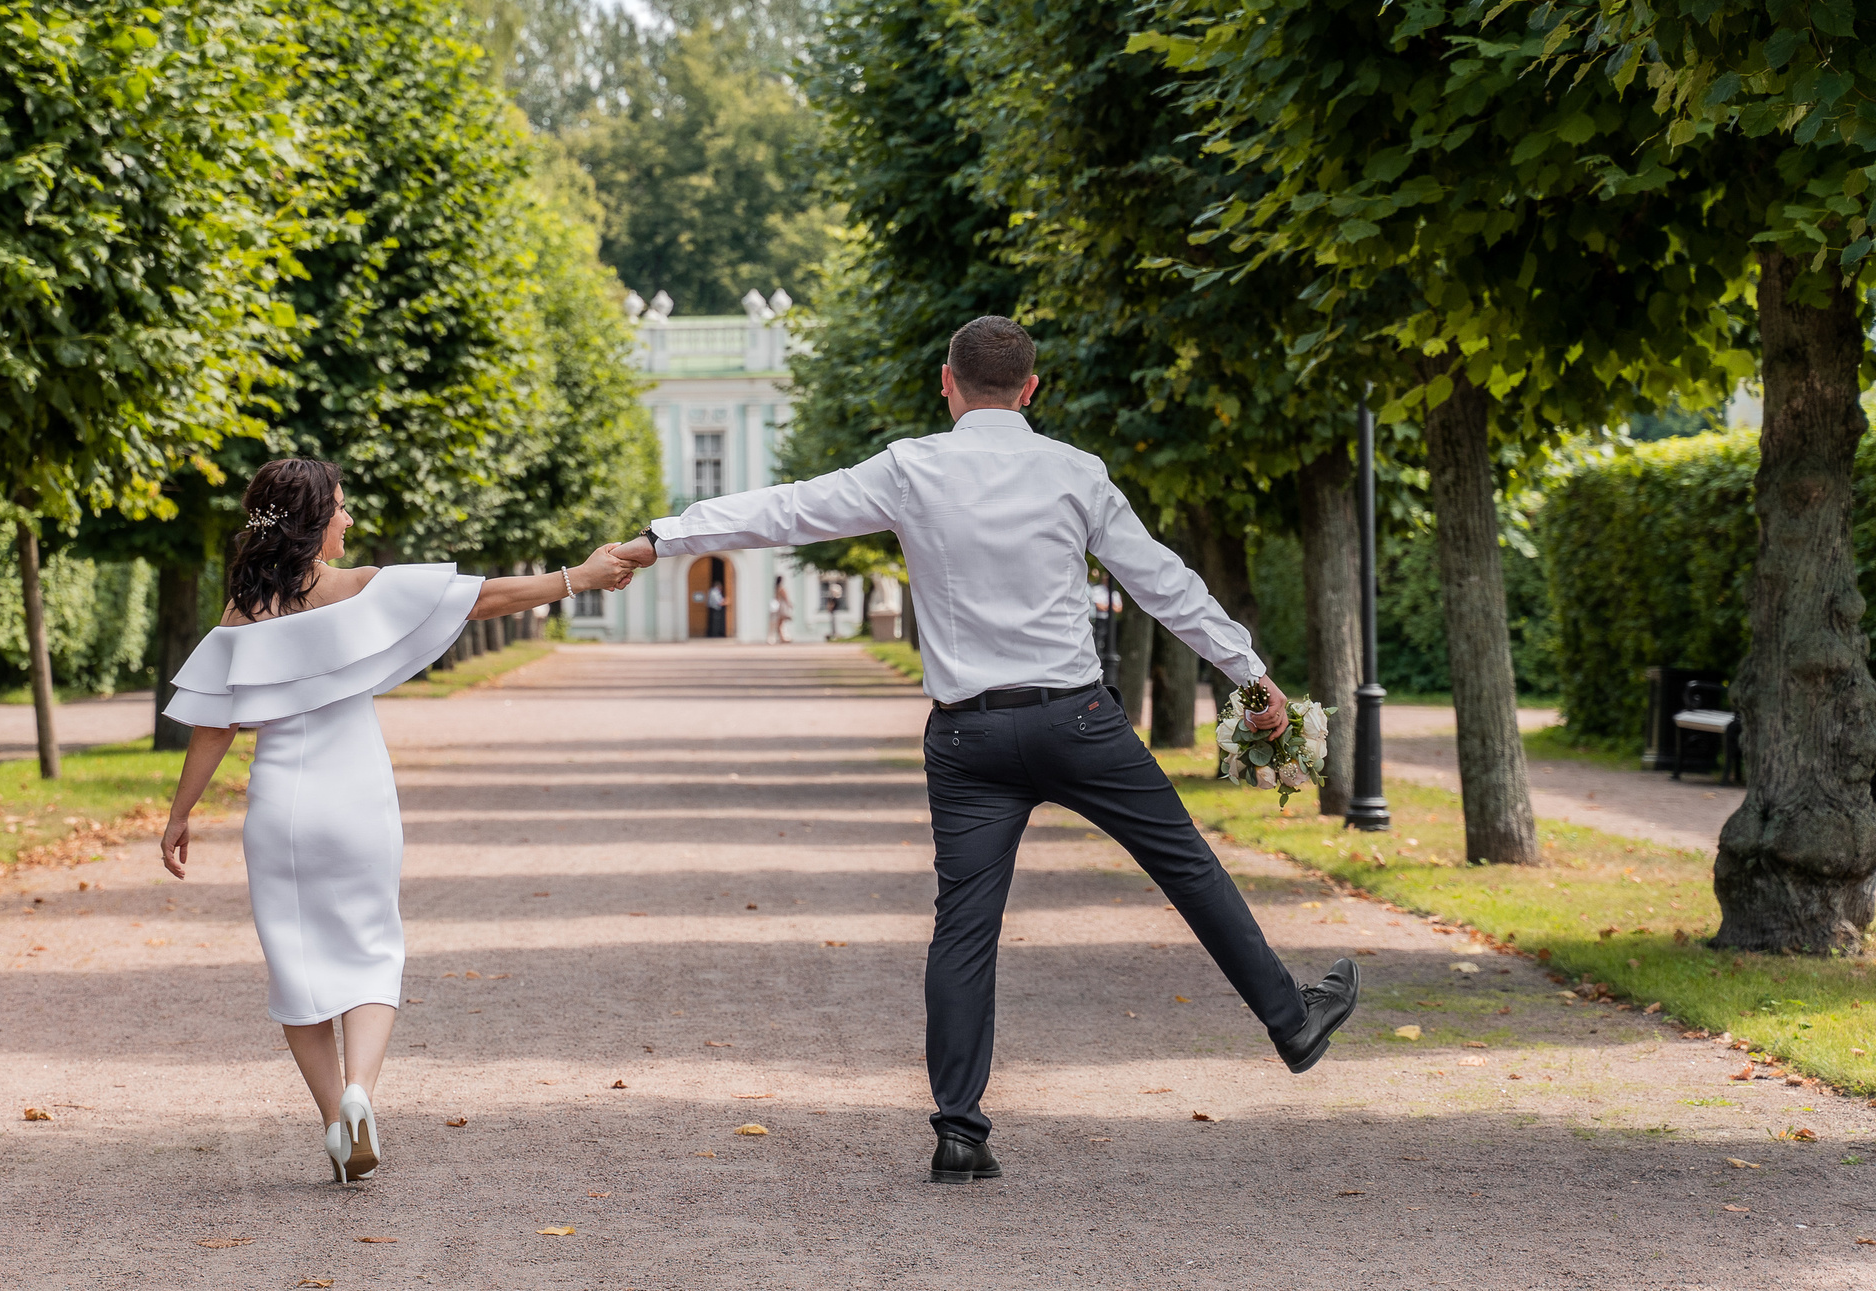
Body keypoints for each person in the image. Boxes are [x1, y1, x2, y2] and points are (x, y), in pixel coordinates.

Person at [614, 316, 1359, 1184]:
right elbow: (1162, 581)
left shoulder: (910, 467)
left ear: (947, 383)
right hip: (1078, 721)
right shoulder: (1076, 473)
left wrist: (662, 537)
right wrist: (1249, 670)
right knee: (1188, 866)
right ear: (1032, 388)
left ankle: (960, 1130)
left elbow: (786, 508)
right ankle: (1291, 1022)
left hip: (967, 736)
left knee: (964, 928)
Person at [158, 457, 637, 1184]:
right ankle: (361, 1094)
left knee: (297, 964)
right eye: (340, 508)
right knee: (373, 949)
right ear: (312, 520)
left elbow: (214, 728)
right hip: (358, 797)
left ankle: (330, 1120)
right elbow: (480, 598)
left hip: (282, 806)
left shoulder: (242, 611)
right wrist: (577, 576)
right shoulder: (361, 588)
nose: (349, 520)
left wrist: (180, 813)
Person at [770, 575, 793, 644]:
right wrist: (789, 604)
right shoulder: (781, 588)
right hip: (783, 606)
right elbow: (786, 598)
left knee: (780, 623)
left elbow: (776, 598)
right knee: (781, 622)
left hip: (779, 605)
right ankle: (782, 638)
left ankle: (781, 637)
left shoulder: (776, 589)